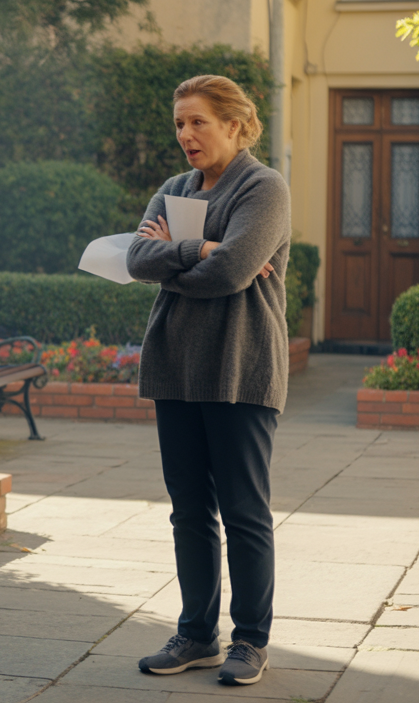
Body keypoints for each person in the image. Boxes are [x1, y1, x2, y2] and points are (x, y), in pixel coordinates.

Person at [126, 75, 290, 686]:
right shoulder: (173, 189)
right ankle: (197, 636)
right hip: (176, 367)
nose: (185, 135)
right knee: (189, 510)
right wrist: (202, 250)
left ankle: (250, 640)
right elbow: (137, 259)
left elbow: (235, 273)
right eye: (178, 124)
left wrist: (182, 253)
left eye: (197, 122)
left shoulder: (264, 188)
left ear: (235, 124)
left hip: (241, 367)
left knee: (245, 510)